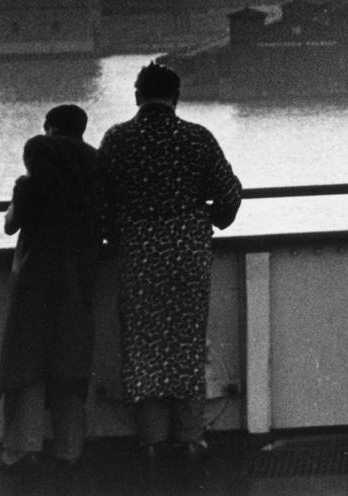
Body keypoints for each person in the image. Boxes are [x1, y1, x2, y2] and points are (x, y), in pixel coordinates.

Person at [96, 61, 242, 458]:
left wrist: (115, 233)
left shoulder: (118, 138)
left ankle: (151, 440)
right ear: (176, 97)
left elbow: (100, 199)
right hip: (187, 253)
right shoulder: (197, 138)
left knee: (142, 345)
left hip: (137, 254)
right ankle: (191, 437)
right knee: (186, 342)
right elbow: (229, 195)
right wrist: (209, 220)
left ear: (138, 96)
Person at [0, 104, 104, 471]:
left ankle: (22, 449)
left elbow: (11, 224)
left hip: (34, 279)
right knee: (70, 363)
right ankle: (70, 449)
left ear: (52, 130)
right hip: (80, 277)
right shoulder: (94, 176)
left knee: (25, 363)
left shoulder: (33, 181)